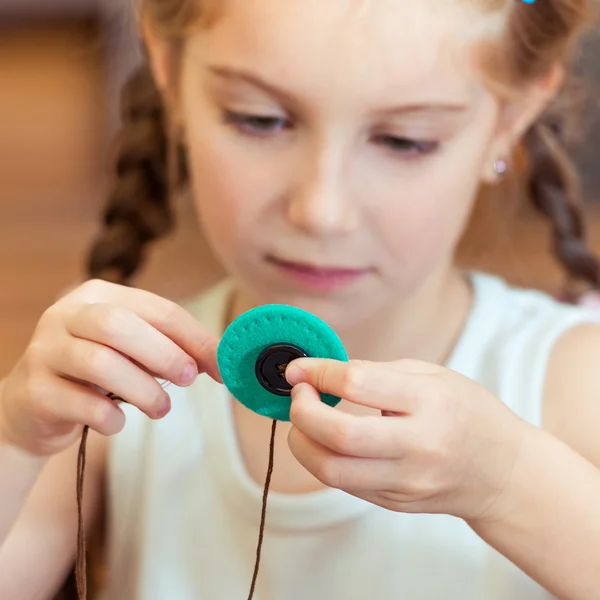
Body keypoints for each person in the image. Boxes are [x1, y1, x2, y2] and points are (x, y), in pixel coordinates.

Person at [2, 0, 600, 598]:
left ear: (512, 117)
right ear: (168, 69)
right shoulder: (117, 378)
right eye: (259, 120)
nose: (321, 210)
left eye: (403, 140)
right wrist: (13, 439)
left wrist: (509, 483)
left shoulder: (574, 382)